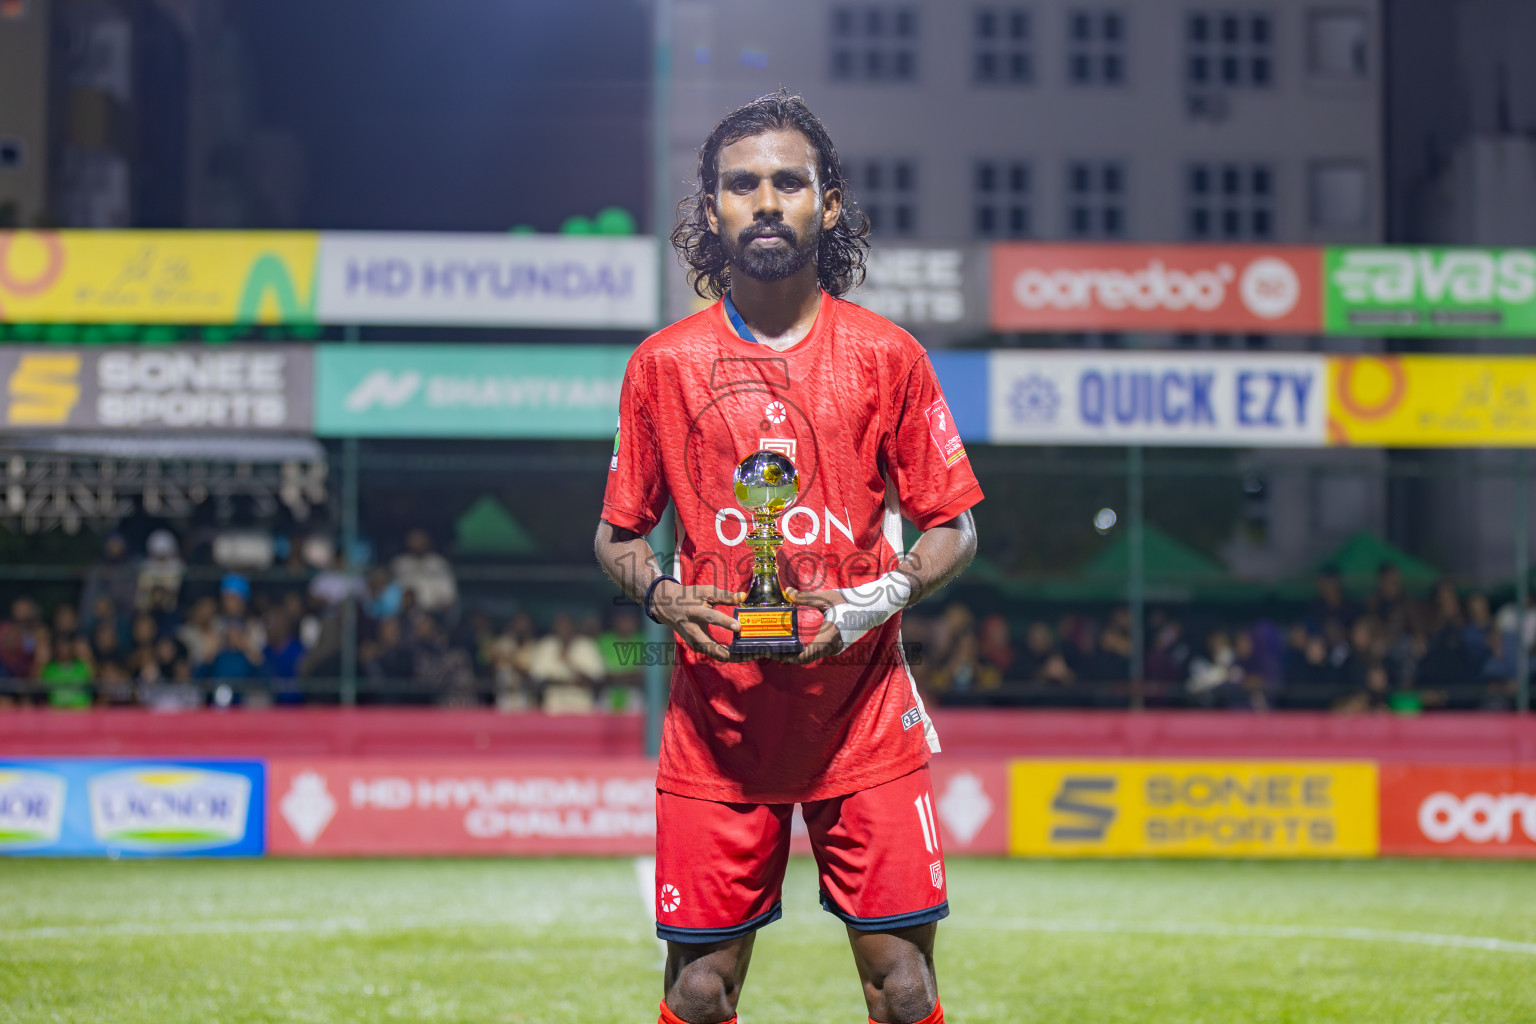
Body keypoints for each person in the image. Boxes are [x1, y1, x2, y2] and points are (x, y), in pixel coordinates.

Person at [594, 92, 980, 1024]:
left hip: (863, 719)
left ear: (828, 203)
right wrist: (664, 597)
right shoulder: (663, 364)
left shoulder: (888, 356)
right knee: (698, 991)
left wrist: (871, 601)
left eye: (788, 182)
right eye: (742, 184)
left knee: (903, 989)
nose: (765, 201)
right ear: (712, 208)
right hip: (718, 729)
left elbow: (954, 526)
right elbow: (617, 535)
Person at [390, 529, 458, 613]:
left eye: (420, 539)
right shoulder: (399, 564)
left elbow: (449, 596)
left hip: (436, 612)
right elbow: (393, 593)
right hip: (407, 613)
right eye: (414, 539)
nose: (417, 543)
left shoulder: (439, 563)